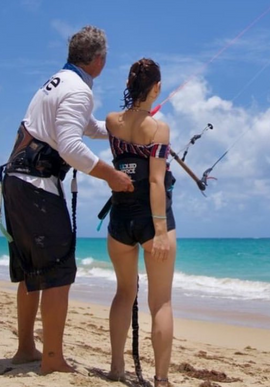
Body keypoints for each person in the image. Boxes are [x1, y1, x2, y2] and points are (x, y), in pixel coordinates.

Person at [0, 25, 134, 375]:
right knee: (58, 272)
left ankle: (27, 348)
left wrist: (121, 127)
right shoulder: (78, 91)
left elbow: (82, 126)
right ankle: (53, 359)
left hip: (15, 182)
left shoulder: (58, 81)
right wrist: (113, 176)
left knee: (32, 271)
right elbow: (71, 147)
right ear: (100, 61)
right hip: (36, 187)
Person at [105, 58, 176, 387]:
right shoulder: (159, 128)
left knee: (123, 292)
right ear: (157, 87)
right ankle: (161, 380)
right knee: (160, 301)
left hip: (120, 218)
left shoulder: (111, 122)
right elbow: (155, 182)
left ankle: (117, 368)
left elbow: (128, 142)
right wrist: (160, 231)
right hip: (151, 221)